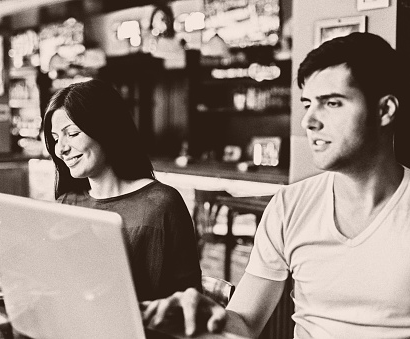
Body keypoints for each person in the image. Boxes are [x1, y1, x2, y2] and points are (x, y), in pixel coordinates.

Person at [142, 32, 410, 338]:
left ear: (385, 110)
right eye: (307, 104)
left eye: (332, 103)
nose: (309, 120)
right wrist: (208, 317)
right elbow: (245, 322)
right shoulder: (289, 206)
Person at [0, 79, 202, 302]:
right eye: (56, 138)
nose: (61, 149)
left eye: (72, 134)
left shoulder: (161, 205)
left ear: (107, 131)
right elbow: (31, 279)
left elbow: (190, 303)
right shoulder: (68, 203)